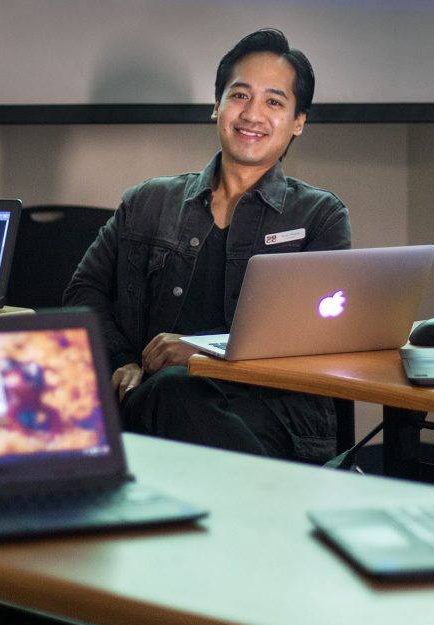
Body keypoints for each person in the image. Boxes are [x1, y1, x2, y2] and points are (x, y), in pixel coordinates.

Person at [64, 28, 351, 462]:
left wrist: (209, 354)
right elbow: (84, 295)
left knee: (182, 392)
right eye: (240, 96)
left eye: (274, 101)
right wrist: (123, 359)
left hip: (273, 417)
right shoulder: (146, 202)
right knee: (175, 390)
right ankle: (282, 504)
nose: (252, 114)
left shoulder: (319, 216)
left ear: (298, 122)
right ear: (216, 105)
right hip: (154, 400)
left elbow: (320, 336)